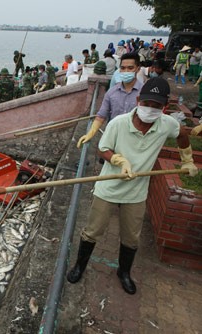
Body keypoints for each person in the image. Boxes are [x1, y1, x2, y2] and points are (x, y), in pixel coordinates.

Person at [67, 77, 198, 295]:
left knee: (131, 237)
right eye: (146, 104)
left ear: (164, 107)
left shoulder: (167, 124)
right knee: (92, 231)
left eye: (156, 106)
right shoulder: (119, 123)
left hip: (136, 192)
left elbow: (183, 135)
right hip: (108, 188)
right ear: (138, 100)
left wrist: (187, 160)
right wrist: (120, 161)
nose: (150, 109)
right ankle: (79, 265)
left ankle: (124, 273)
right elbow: (103, 149)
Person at [77, 53, 143, 148]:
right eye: (123, 68)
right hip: (113, 139)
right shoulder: (111, 92)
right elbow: (101, 115)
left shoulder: (144, 92)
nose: (126, 71)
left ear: (138, 68)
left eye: (130, 68)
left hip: (135, 141)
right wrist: (90, 133)